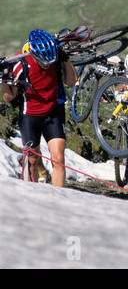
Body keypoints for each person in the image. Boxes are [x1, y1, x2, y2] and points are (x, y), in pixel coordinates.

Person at [1, 29, 77, 187]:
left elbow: (71, 81)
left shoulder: (55, 59)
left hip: (54, 113)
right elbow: (8, 97)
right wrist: (3, 80)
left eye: (51, 61)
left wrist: (66, 59)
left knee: (59, 159)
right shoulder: (21, 65)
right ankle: (31, 197)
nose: (48, 64)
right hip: (30, 116)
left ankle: (59, 200)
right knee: (32, 159)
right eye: (44, 61)